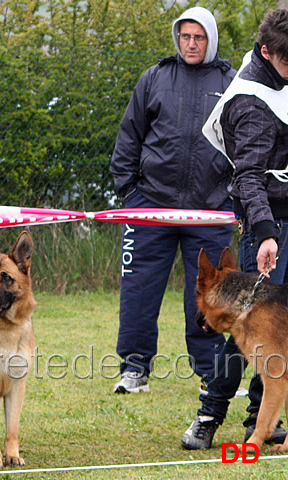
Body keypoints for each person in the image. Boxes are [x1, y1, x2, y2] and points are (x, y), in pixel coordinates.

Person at [109, 7, 236, 394]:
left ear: (210, 40)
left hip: (210, 211)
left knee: (211, 293)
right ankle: (134, 370)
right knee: (139, 291)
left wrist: (234, 198)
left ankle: (212, 375)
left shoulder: (233, 83)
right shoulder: (155, 78)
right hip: (150, 206)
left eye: (199, 37)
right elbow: (129, 136)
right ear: (176, 38)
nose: (191, 44)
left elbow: (245, 142)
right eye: (185, 37)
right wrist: (129, 193)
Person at [181, 8, 288, 450]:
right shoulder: (251, 102)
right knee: (247, 332)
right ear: (267, 52)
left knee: (276, 340)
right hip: (271, 223)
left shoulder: (278, 72)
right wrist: (265, 232)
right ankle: (209, 415)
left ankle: (262, 425)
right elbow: (247, 177)